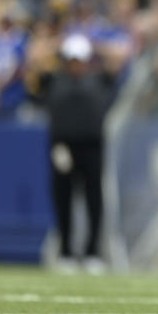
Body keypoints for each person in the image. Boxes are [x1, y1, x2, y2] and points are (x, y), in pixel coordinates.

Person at [42, 34, 115, 273]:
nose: (76, 65)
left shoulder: (98, 81)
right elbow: (37, 65)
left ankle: (92, 252)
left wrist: (99, 48)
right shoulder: (54, 81)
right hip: (63, 147)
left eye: (80, 60)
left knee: (94, 201)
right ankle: (66, 252)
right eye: (71, 59)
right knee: (63, 200)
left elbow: (117, 61)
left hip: (92, 147)